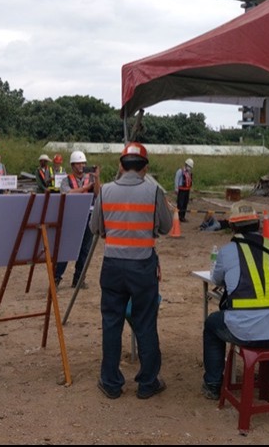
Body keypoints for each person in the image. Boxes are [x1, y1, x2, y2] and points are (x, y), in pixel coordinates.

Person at [90, 142, 172, 400]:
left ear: (120, 165)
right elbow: (167, 227)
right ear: (145, 167)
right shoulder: (154, 190)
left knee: (111, 323)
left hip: (112, 265)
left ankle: (111, 382)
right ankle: (148, 383)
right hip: (143, 265)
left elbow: (96, 228)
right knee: (145, 322)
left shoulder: (105, 190)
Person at [201, 202, 269, 401]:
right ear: (258, 224)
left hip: (244, 330)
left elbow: (216, 279)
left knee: (211, 325)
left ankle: (213, 384)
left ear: (232, 227)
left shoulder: (227, 251)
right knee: (268, 321)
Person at [56, 150, 101, 289]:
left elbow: (97, 194)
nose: (82, 166)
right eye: (78, 163)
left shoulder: (91, 178)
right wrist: (85, 188)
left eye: (83, 163)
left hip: (89, 216)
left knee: (85, 250)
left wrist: (97, 178)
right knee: (67, 248)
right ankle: (56, 278)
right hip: (73, 217)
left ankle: (78, 279)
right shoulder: (66, 180)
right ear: (72, 165)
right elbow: (68, 192)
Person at [174, 158, 194, 222]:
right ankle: (178, 216)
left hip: (187, 190)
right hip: (181, 190)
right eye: (189, 166)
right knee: (180, 203)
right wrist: (176, 188)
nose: (190, 168)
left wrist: (191, 188)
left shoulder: (189, 173)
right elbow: (176, 179)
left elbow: (190, 180)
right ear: (186, 165)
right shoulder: (180, 171)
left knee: (185, 203)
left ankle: (182, 216)